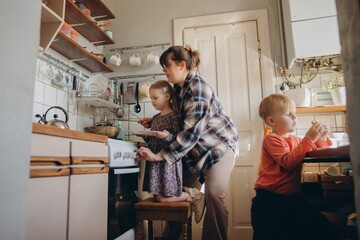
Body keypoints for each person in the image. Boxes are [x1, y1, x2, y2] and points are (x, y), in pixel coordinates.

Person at [136, 45, 239, 240]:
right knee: (169, 189)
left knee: (215, 195)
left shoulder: (197, 90)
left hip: (219, 148)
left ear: (181, 65)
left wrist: (159, 156)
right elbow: (177, 119)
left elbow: (190, 134)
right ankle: (173, 233)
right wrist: (155, 122)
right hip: (194, 151)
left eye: (166, 66)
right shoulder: (179, 89)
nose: (164, 70)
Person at [251, 93, 336, 240]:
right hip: (269, 201)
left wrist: (321, 137)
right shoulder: (271, 139)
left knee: (320, 226)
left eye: (295, 114)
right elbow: (288, 161)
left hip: (291, 199)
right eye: (289, 115)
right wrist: (309, 138)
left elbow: (317, 148)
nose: (295, 118)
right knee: (268, 235)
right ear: (271, 121)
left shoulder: (296, 141)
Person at [136, 80, 204, 209]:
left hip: (168, 162)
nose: (153, 101)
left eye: (155, 98)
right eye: (151, 99)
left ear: (167, 97)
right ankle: (190, 194)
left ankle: (194, 197)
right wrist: (145, 135)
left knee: (162, 198)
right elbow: (153, 142)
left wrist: (167, 136)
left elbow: (179, 140)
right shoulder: (155, 118)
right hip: (156, 162)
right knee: (158, 196)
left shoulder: (174, 116)